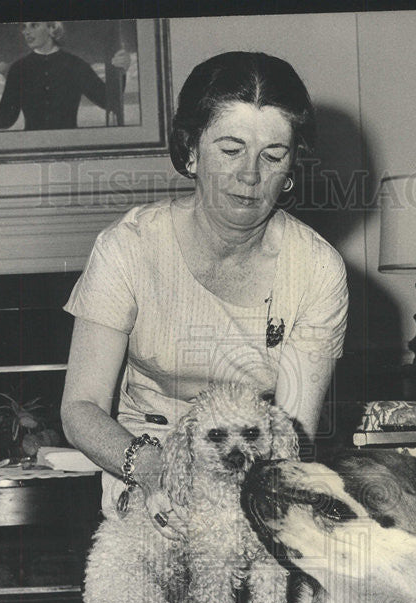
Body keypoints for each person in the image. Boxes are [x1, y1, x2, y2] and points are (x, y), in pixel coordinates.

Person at [61, 51, 348, 536]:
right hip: (141, 455)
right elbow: (80, 408)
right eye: (230, 150)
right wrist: (156, 474)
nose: (250, 175)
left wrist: (248, 508)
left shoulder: (318, 269)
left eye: (273, 155)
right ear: (191, 151)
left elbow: (292, 435)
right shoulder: (127, 248)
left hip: (253, 467)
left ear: (292, 166)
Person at [0, 22, 131, 131]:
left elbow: (108, 100)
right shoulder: (18, 69)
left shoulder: (75, 65)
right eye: (24, 27)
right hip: (33, 150)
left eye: (34, 25)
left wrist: (121, 71)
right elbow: (6, 119)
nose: (26, 31)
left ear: (52, 28)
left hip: (71, 146)